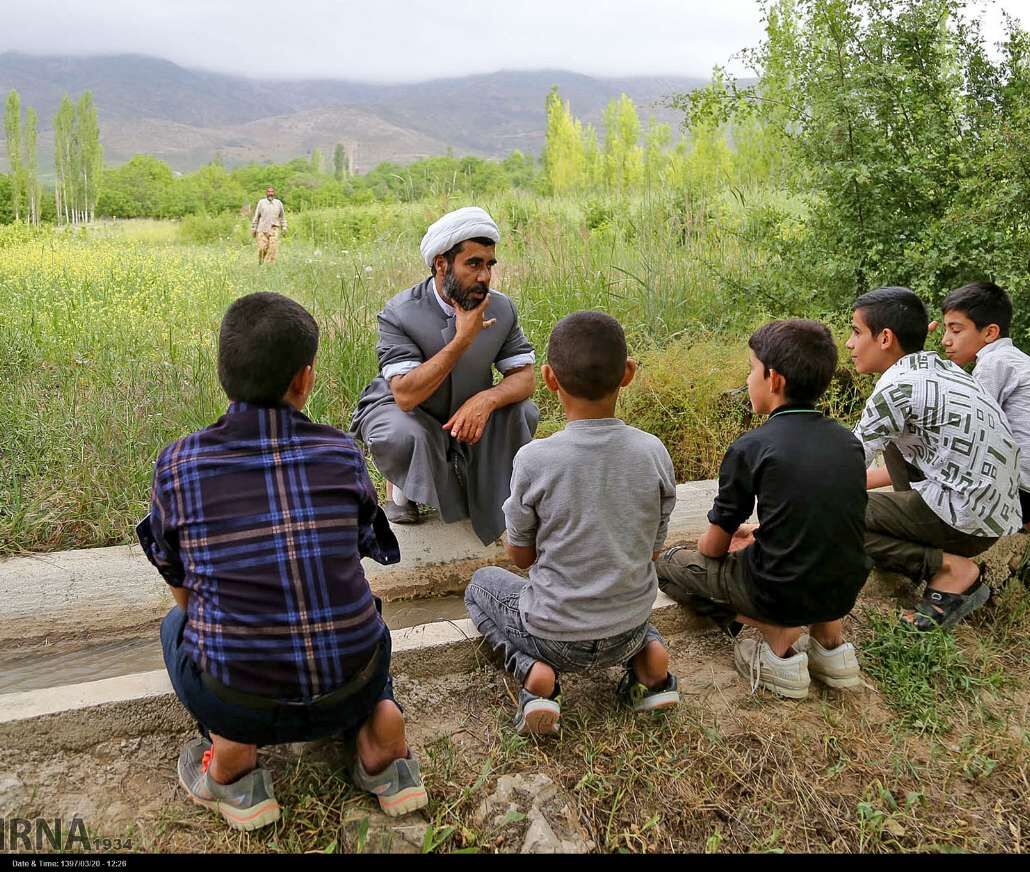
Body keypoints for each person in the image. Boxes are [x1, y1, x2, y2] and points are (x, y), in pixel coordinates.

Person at [138, 292, 427, 831]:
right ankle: (377, 734)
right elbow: (367, 553)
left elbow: (178, 580)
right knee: (367, 618)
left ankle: (232, 764)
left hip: (239, 700)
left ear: (223, 372)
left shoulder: (179, 463)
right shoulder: (341, 451)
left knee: (176, 623)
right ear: (305, 379)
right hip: (352, 683)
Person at [464, 311, 679, 735]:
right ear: (628, 374)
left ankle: (536, 673)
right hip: (629, 628)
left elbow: (521, 557)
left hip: (554, 636)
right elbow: (652, 552)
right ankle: (649, 663)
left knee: (480, 585)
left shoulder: (535, 459)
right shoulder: (654, 452)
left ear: (548, 378)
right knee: (623, 585)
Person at [655, 320, 870, 699]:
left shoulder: (752, 447)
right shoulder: (848, 444)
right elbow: (825, 516)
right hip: (844, 587)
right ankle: (831, 648)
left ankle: (777, 638)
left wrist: (729, 544)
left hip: (779, 593)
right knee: (800, 562)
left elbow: (712, 549)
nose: (748, 378)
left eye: (752, 369)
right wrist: (760, 535)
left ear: (775, 380)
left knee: (671, 564)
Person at [350, 206, 539, 545]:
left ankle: (485, 492)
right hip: (405, 409)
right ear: (441, 264)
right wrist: (462, 338)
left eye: (489, 265)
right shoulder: (399, 313)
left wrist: (487, 398)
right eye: (473, 264)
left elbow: (525, 378)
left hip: (467, 406)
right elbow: (406, 394)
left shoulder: (502, 308)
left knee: (523, 411)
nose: (484, 276)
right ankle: (401, 486)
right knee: (401, 433)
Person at [848, 287, 1022, 631]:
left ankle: (950, 570)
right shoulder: (942, 370)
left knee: (828, 514)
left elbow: (842, 468)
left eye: (856, 332)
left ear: (885, 338)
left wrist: (782, 519)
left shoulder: (894, 388)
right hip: (995, 515)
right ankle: (917, 525)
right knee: (896, 442)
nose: (850, 344)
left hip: (966, 523)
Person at [937, 281, 1030, 530]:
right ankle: (1025, 525)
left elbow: (966, 432)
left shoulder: (993, 364)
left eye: (955, 331)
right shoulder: (1018, 360)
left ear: (990, 333)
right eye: (945, 330)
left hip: (1026, 496)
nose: (945, 340)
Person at [251, 186, 287, 264]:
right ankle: (261, 262)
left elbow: (282, 217)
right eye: (269, 192)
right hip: (262, 229)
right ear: (266, 193)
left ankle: (270, 267)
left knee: (272, 249)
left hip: (274, 229)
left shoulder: (278, 203)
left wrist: (284, 227)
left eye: (272, 192)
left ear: (274, 193)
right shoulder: (261, 203)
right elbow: (256, 216)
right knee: (262, 248)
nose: (270, 193)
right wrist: (254, 228)